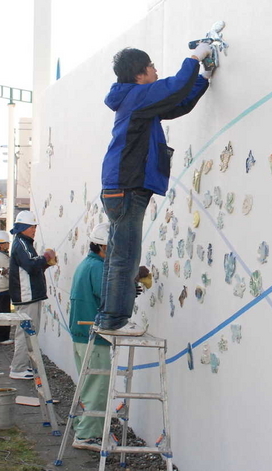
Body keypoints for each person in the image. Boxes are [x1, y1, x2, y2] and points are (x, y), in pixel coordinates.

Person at [97, 44, 211, 335]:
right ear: (139, 74)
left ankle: (108, 317)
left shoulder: (136, 101)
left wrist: (201, 78)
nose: (156, 71)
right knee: (125, 258)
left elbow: (177, 104)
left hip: (121, 188)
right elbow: (172, 88)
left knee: (117, 257)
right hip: (126, 188)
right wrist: (195, 58)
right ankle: (115, 321)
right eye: (152, 67)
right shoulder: (135, 97)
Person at [68, 222, 112, 450]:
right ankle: (86, 436)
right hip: (93, 336)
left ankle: (83, 427)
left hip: (81, 334)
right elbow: (109, 297)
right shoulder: (98, 268)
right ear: (103, 247)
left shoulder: (87, 264)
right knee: (98, 385)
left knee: (88, 384)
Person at [8, 210, 56, 379]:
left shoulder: (23, 243)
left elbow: (30, 267)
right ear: (23, 227)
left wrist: (44, 264)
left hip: (29, 295)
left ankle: (21, 366)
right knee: (25, 332)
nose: (34, 229)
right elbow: (29, 265)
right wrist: (45, 258)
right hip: (26, 296)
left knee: (29, 332)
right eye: (32, 226)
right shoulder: (21, 244)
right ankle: (18, 368)